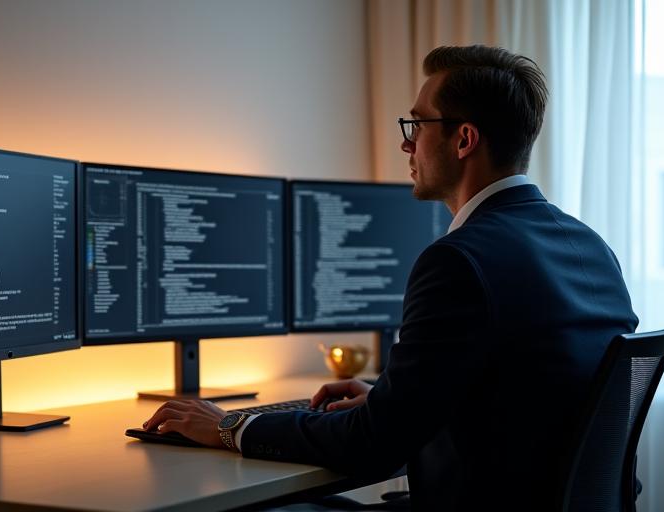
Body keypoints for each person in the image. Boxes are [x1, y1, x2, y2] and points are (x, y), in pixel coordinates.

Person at [142, 45, 638, 511]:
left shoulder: (459, 260)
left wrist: (233, 426)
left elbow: (372, 446)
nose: (406, 142)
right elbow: (524, 393)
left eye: (417, 124)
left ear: (463, 139)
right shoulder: (591, 246)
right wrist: (391, 400)